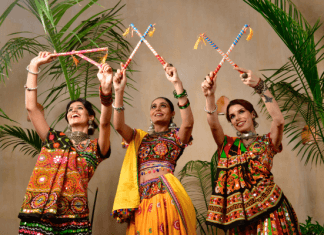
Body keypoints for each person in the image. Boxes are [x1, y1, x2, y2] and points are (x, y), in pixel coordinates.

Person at [18, 51, 113, 235]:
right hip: (42, 215)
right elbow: (31, 107)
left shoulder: (97, 147)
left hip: (75, 218)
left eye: (79, 108)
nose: (73, 111)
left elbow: (106, 123)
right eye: (70, 110)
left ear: (90, 116)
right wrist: (34, 66)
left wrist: (106, 89)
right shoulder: (55, 140)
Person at [202, 67, 301, 234]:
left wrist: (260, 87)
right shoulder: (227, 144)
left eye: (241, 111)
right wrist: (209, 96)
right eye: (232, 116)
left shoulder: (267, 141)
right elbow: (213, 124)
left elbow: (278, 120)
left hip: (271, 207)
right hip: (239, 217)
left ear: (253, 114)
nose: (237, 117)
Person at [111, 62, 196, 234]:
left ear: (173, 113)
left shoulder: (176, 136)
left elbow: (188, 123)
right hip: (141, 199)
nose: (158, 109)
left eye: (163, 106)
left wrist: (177, 84)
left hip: (166, 196)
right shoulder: (139, 137)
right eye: (154, 106)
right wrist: (119, 91)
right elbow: (118, 126)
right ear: (150, 113)